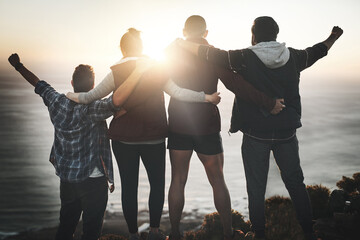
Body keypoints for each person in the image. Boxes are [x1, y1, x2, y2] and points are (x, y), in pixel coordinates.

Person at [176, 17, 343, 240]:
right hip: (286, 133)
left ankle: (259, 233)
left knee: (256, 186)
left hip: (256, 134)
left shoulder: (242, 57)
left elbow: (208, 54)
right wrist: (332, 37)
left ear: (253, 35)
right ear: (276, 34)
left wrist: (182, 42)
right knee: (295, 182)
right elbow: (317, 51)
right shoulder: (293, 57)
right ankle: (308, 231)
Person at [66, 28, 222, 240]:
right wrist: (206, 97)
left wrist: (67, 96)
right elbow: (178, 92)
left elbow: (90, 96)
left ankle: (132, 235)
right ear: (141, 47)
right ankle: (156, 231)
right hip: (154, 137)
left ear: (122, 49)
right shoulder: (156, 69)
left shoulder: (116, 71)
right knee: (157, 185)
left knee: (129, 187)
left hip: (123, 140)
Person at [8, 53, 152, 240]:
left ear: (71, 83)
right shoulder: (93, 108)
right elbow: (117, 100)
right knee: (91, 233)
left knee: (66, 228)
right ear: (93, 86)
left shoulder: (57, 102)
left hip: (67, 180)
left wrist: (18, 66)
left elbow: (38, 84)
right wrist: (138, 74)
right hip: (93, 180)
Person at [165, 15, 284, 240]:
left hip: (179, 123)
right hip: (206, 125)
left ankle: (173, 233)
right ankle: (228, 233)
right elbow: (237, 84)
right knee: (217, 179)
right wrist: (269, 103)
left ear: (184, 31)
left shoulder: (171, 52)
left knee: (177, 179)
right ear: (206, 33)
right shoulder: (211, 55)